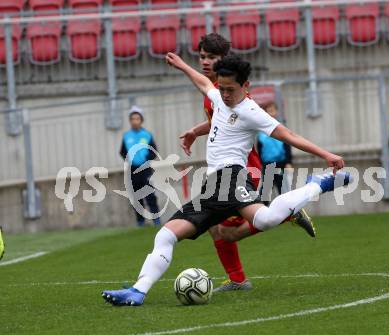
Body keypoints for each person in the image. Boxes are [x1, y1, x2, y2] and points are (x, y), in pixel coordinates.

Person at [101, 53, 350, 306]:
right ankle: (137, 291)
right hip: (213, 186)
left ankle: (317, 184)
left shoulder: (251, 111)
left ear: (245, 86)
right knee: (166, 235)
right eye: (223, 88)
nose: (226, 95)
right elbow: (204, 84)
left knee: (263, 219)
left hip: (233, 178)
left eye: (231, 89)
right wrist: (182, 66)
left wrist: (326, 154)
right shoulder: (219, 97)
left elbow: (288, 134)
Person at [179, 33, 315, 292]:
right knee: (215, 228)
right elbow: (221, 122)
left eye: (212, 57)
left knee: (225, 231)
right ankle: (238, 279)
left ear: (224, 60)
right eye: (203, 56)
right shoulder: (215, 91)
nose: (206, 62)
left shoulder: (230, 91)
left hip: (243, 170)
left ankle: (285, 214)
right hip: (229, 171)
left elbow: (244, 118)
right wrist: (196, 132)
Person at [120, 106, 161, 226]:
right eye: (132, 119)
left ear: (141, 120)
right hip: (132, 171)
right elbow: (122, 151)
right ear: (130, 121)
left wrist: (145, 159)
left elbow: (154, 151)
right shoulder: (127, 136)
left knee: (150, 195)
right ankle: (140, 221)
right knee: (136, 197)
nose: (135, 121)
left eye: (137, 118)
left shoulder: (147, 135)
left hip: (146, 170)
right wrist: (129, 159)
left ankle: (156, 219)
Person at [257, 101, 293, 198]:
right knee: (265, 191)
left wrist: (288, 162)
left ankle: (288, 211)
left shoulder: (281, 128)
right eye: (268, 111)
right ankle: (262, 209)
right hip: (267, 164)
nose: (271, 113)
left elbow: (287, 145)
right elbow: (260, 149)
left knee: (283, 190)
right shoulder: (261, 131)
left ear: (276, 112)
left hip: (280, 163)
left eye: (273, 110)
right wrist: (260, 164)